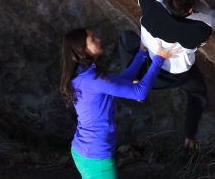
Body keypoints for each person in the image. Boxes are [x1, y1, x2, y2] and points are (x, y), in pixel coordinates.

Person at [119, 0, 215, 151]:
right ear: (190, 10)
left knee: (127, 39)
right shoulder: (201, 28)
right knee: (197, 93)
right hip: (180, 74)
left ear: (165, 0)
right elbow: (195, 22)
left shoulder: (150, 8)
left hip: (150, 69)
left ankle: (131, 80)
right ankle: (190, 137)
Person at [60, 27, 173, 178]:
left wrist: (142, 53)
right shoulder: (92, 79)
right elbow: (140, 92)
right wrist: (159, 58)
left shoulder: (83, 74)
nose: (99, 39)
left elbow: (121, 82)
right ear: (82, 49)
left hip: (85, 150)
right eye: (93, 39)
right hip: (95, 157)